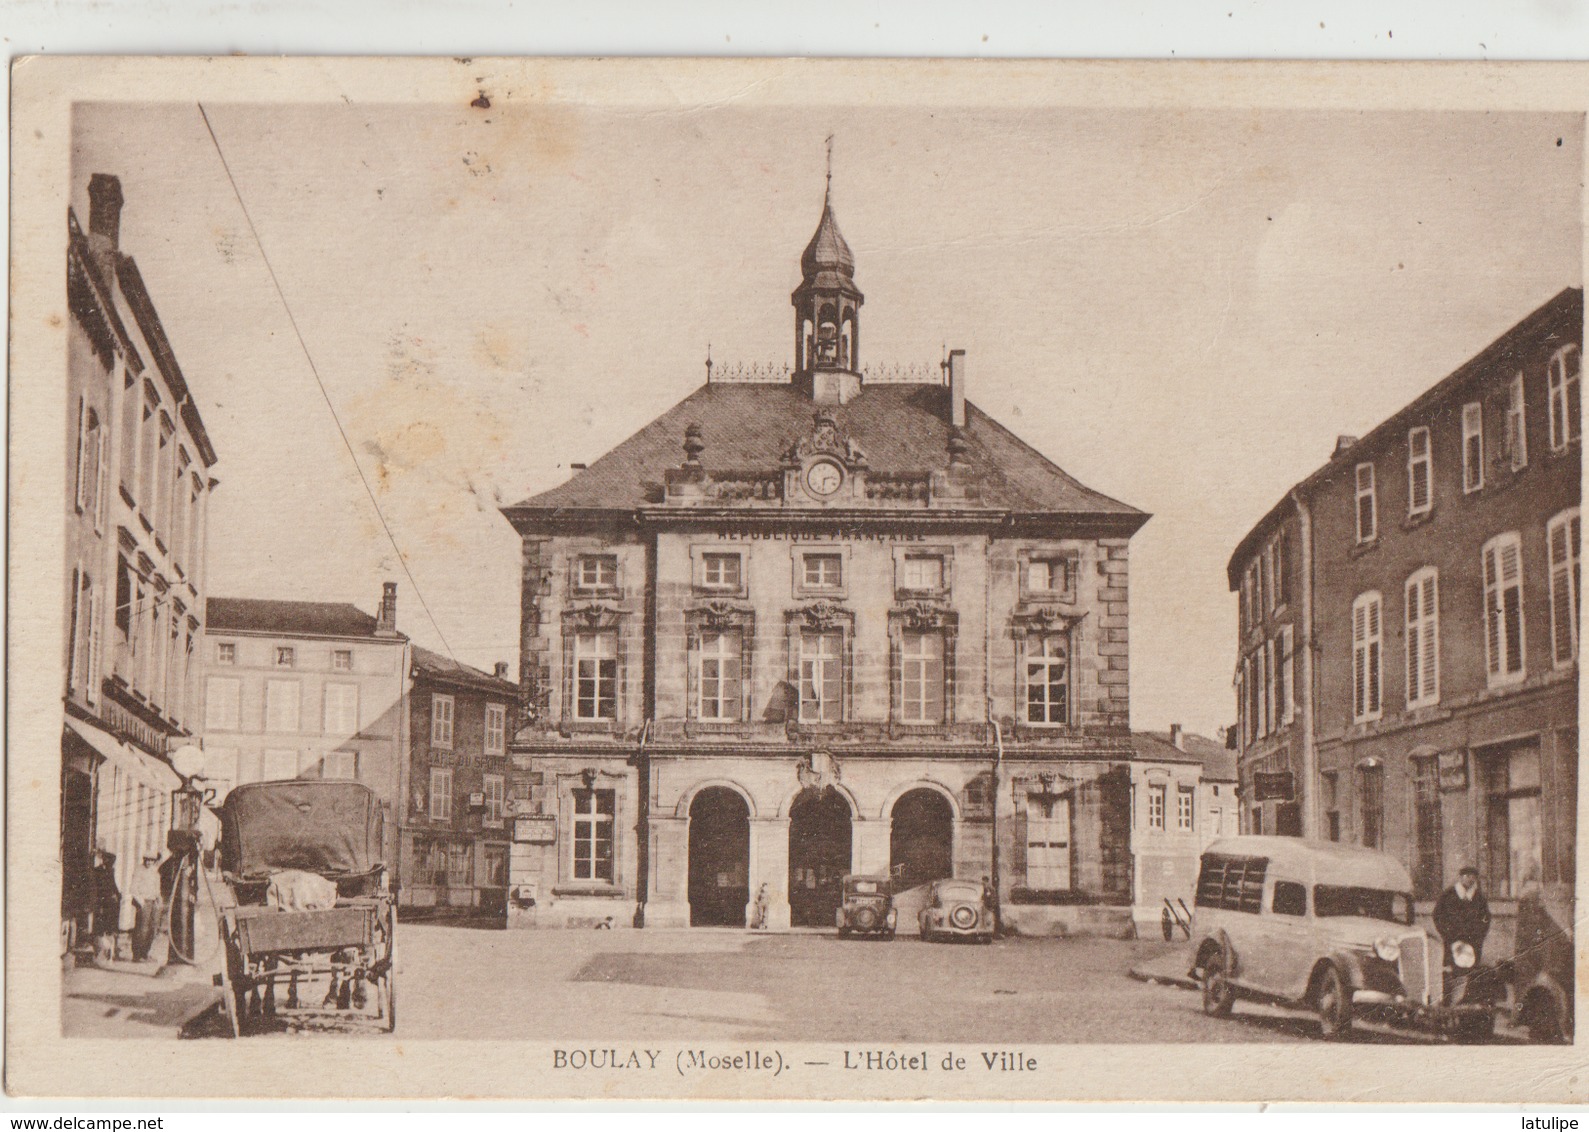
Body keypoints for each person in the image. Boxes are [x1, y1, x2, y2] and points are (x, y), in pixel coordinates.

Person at [1433, 864, 1491, 967]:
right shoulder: (1448, 895)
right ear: (1460, 877)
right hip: (1452, 940)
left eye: (1474, 877)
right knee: (1453, 968)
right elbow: (1437, 915)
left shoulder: (1479, 897)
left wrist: (1479, 935)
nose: (1471, 879)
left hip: (1473, 941)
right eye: (1468, 876)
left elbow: (1486, 918)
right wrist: (1447, 933)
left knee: (1471, 968)